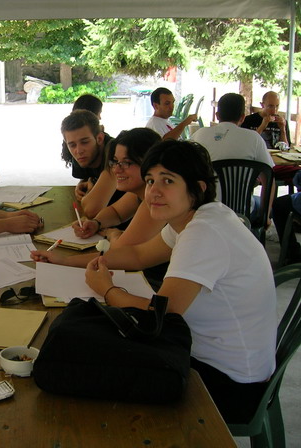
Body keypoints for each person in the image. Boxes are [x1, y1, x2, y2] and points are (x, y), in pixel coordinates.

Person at [83, 140, 276, 424]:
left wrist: (107, 290)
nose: (153, 191)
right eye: (150, 180)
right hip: (224, 362)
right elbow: (138, 255)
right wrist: (66, 261)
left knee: (97, 367)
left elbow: (160, 316)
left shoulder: (203, 232)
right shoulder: (198, 216)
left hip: (231, 384)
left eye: (168, 180)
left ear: (197, 187)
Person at [31, 128, 166, 286]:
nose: (116, 169)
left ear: (150, 164)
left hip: (154, 282)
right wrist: (96, 223)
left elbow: (121, 251)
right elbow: (116, 212)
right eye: (115, 162)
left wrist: (112, 234)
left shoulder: (158, 200)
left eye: (127, 163)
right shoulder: (141, 192)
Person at [191, 92, 275, 224]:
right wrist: (265, 217)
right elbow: (269, 178)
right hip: (243, 212)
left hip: (204, 209)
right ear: (242, 117)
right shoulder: (254, 138)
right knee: (261, 204)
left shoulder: (199, 135)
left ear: (217, 115)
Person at [61, 109, 124, 218]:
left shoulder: (116, 153)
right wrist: (83, 184)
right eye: (72, 145)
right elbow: (87, 178)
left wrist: (90, 191)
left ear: (99, 138)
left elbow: (91, 210)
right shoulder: (82, 154)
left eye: (85, 142)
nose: (79, 150)